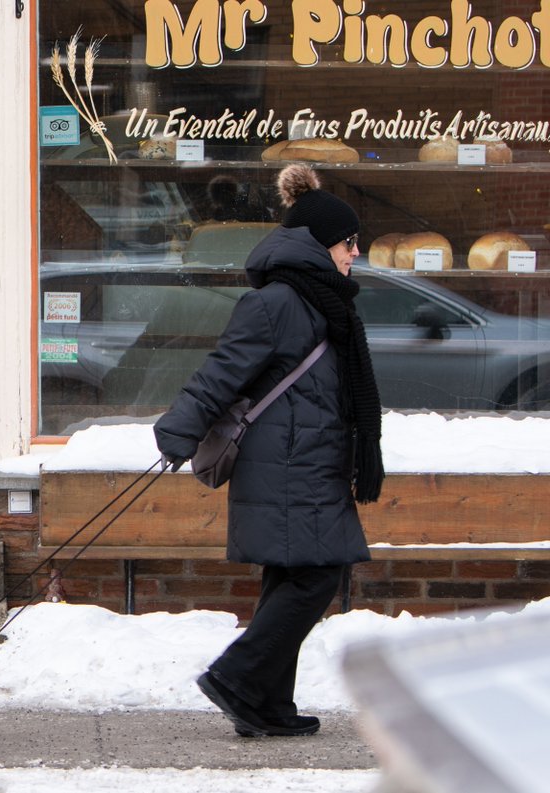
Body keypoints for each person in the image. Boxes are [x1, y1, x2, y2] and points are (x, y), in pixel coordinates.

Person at [153, 163, 384, 737]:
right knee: (316, 577)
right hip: (286, 463)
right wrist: (180, 429)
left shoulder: (323, 301)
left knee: (291, 576)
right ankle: (237, 678)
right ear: (320, 244)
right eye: (349, 242)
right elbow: (223, 372)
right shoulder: (279, 302)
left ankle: (267, 705)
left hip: (309, 459)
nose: (356, 253)